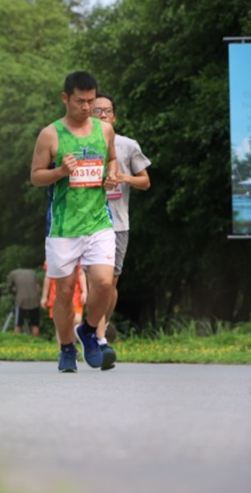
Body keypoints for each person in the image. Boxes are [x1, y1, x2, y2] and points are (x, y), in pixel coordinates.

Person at [30, 71, 118, 372]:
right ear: (65, 98)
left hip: (98, 222)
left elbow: (113, 159)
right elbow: (35, 176)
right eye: (80, 101)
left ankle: (90, 332)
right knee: (65, 293)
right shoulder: (51, 134)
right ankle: (67, 348)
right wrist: (59, 172)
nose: (86, 107)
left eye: (91, 101)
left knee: (105, 283)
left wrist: (112, 175)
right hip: (63, 227)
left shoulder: (104, 130)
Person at [91, 92, 151, 352]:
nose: (103, 114)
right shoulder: (81, 143)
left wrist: (123, 178)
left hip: (117, 224)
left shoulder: (128, 145)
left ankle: (97, 330)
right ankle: (98, 338)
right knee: (93, 285)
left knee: (110, 285)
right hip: (87, 222)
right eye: (97, 111)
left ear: (114, 115)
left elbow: (146, 182)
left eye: (107, 110)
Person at [40, 261, 87, 342]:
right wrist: (44, 296)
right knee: (60, 324)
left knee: (76, 320)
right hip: (56, 294)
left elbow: (81, 273)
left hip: (75, 293)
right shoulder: (51, 254)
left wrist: (85, 291)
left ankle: (72, 345)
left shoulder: (76, 251)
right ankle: (63, 349)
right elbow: (47, 276)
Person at [7, 268, 41, 337]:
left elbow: (9, 288)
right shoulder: (32, 272)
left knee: (18, 324)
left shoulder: (12, 274)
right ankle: (36, 341)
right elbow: (37, 287)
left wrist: (14, 292)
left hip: (21, 301)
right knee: (35, 324)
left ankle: (16, 342)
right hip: (34, 301)